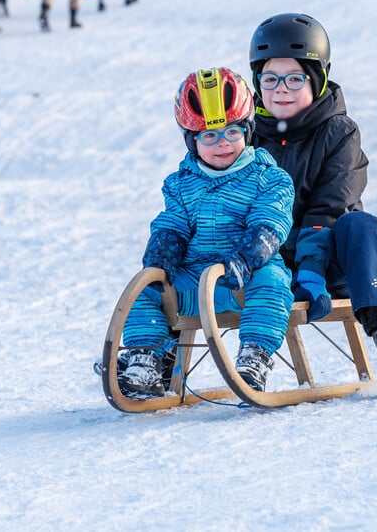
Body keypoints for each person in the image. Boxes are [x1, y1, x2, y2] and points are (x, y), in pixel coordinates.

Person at [247, 13, 377, 389]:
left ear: (317, 79)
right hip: (264, 261)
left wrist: (311, 264)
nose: (281, 89)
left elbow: (333, 203)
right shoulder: (245, 136)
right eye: (270, 79)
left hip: (328, 265)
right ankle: (156, 357)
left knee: (362, 225)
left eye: (294, 78)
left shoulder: (339, 131)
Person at [118, 67, 296, 398]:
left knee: (273, 282)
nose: (222, 144)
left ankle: (254, 357)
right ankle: (146, 358)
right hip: (195, 281)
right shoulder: (181, 184)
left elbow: (270, 222)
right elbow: (172, 224)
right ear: (192, 140)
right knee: (146, 288)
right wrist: (161, 257)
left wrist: (247, 257)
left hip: (245, 278)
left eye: (231, 132)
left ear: (248, 130)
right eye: (208, 136)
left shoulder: (270, 179)